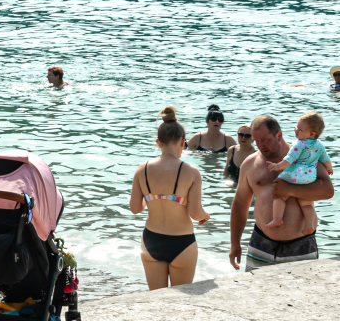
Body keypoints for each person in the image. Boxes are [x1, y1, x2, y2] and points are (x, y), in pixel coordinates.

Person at [230, 115, 334, 271]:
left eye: (265, 140)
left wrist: (290, 189)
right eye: (256, 141)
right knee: (256, 294)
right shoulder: (250, 164)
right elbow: (239, 204)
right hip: (261, 244)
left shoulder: (305, 154)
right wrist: (235, 243)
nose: (260, 146)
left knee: (302, 294)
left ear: (279, 135)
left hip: (301, 245)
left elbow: (327, 191)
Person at [129, 110, 210, 290]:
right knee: (179, 306)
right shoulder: (191, 172)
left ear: (158, 142)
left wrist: (153, 198)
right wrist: (206, 215)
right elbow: (195, 213)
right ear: (183, 141)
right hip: (182, 243)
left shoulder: (142, 169)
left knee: (157, 302)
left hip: (151, 241)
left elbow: (135, 208)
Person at [262, 112, 330, 233]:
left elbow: (289, 160)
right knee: (306, 204)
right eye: (296, 126)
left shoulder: (299, 144)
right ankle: (309, 224)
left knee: (279, 193)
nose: (296, 130)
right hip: (309, 178)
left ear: (312, 134)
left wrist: (277, 166)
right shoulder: (320, 145)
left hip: (294, 175)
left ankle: (277, 218)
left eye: (300, 129)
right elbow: (326, 159)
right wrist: (329, 169)